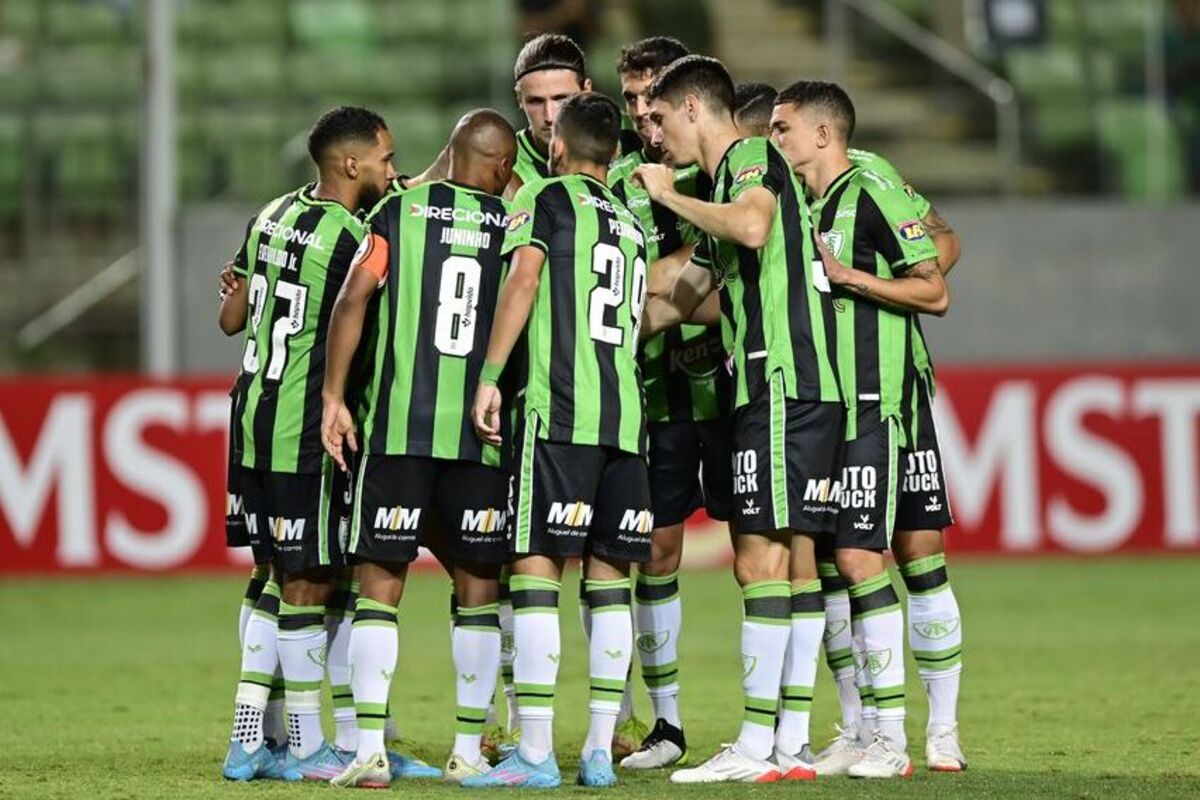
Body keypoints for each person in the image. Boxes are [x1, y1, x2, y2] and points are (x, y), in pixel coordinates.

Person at [637, 56, 843, 784]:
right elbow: (684, 292)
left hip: (782, 383)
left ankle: (759, 744)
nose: (653, 137)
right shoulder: (730, 180)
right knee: (781, 560)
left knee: (760, 559)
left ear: (694, 110)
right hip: (784, 387)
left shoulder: (750, 156)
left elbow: (753, 229)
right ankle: (784, 741)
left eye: (659, 119)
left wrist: (668, 197)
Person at [319, 110, 518, 788]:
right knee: (479, 589)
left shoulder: (398, 214)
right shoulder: (512, 226)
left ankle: (368, 748)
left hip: (398, 432)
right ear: (494, 166)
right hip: (477, 437)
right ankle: (468, 752)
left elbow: (354, 298)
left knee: (379, 586)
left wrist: (334, 396)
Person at [770, 80, 959, 778]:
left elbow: (935, 286)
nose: (775, 141)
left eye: (783, 128)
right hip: (828, 407)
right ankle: (862, 730)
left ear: (824, 134)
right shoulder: (803, 205)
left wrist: (851, 278)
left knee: (877, 558)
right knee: (836, 565)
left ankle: (907, 735)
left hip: (878, 401)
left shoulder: (872, 186)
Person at [466, 92, 652, 789]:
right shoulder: (631, 222)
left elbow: (523, 281)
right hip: (626, 422)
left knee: (537, 569)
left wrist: (490, 377)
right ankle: (600, 751)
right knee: (610, 581)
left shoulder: (545, 196)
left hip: (560, 412)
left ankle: (538, 753)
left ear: (558, 146)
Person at [217, 106, 396, 782]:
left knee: (268, 572)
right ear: (351, 163)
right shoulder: (359, 236)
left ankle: (245, 742)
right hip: (301, 426)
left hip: (249, 414)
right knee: (309, 580)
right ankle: (303, 743)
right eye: (384, 157)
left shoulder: (271, 214)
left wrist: (241, 286)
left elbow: (230, 316)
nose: (390, 168)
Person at [606, 35, 729, 770]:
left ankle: (806, 723)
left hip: (741, 390)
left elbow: (724, 272)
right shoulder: (623, 177)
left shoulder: (727, 170)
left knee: (779, 553)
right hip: (659, 395)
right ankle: (665, 724)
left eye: (654, 96)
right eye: (630, 100)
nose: (644, 114)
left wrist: (666, 286)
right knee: (653, 550)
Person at [508, 33, 592, 197]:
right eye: (536, 101)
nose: (550, 117)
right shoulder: (503, 165)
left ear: (586, 91)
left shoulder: (621, 149)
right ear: (519, 99)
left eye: (562, 99)